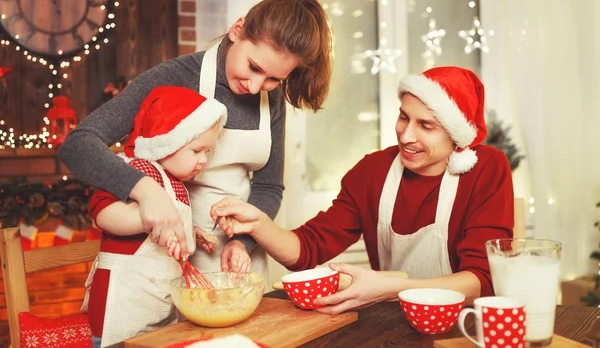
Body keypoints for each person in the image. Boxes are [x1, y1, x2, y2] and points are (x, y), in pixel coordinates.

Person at [58, 0, 333, 279]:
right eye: (253, 67)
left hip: (239, 266)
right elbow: (78, 144)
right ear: (237, 31)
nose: (254, 86)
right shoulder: (175, 78)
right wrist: (146, 191)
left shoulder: (272, 100)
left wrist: (243, 242)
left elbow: (269, 187)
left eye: (273, 79)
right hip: (165, 263)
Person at [209, 66, 515, 314]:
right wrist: (259, 225)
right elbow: (308, 248)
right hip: (393, 323)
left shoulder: (486, 169)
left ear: (455, 135)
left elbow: (482, 281)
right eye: (404, 117)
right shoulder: (373, 172)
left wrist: (389, 288)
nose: (406, 135)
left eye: (426, 126)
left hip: (465, 327)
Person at [84, 86, 227, 348]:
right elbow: (101, 213)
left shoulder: (176, 183)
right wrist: (147, 220)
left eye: (208, 152)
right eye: (196, 150)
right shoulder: (136, 171)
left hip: (156, 306)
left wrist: (189, 231)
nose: (203, 160)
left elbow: (172, 219)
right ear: (168, 141)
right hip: (121, 307)